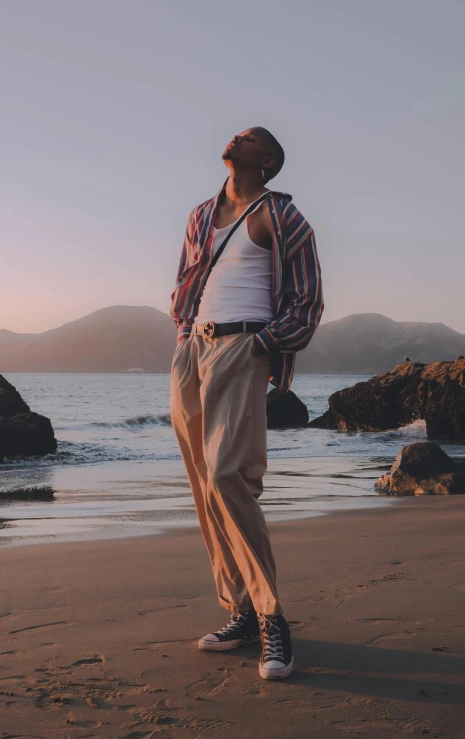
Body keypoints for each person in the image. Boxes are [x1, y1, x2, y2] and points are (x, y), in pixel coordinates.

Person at [169, 127, 324, 680]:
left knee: (227, 474)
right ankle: (237, 608)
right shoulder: (199, 215)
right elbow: (185, 285)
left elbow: (307, 305)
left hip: (242, 346)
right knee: (202, 482)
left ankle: (270, 616)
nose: (238, 136)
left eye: (252, 137)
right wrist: (186, 336)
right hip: (194, 350)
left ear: (269, 161)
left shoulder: (284, 219)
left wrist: (260, 344)